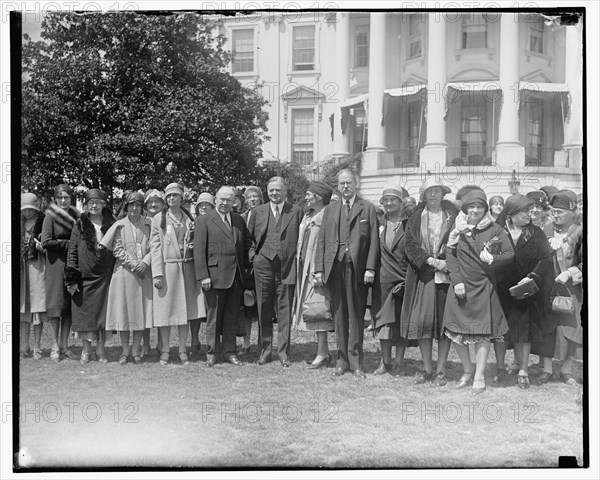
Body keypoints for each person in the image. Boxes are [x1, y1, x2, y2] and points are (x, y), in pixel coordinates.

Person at [443, 190, 514, 394]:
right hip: (460, 287)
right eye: (471, 207)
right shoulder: (458, 228)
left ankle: (480, 376)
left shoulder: (495, 229)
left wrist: (493, 259)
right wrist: (456, 281)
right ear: (465, 209)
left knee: (482, 333)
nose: (475, 210)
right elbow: (450, 254)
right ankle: (467, 370)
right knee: (456, 331)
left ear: (485, 209)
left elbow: (510, 253)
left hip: (483, 286)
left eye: (479, 207)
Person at [314, 169, 379, 378]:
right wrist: (319, 270)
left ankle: (356, 362)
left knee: (357, 317)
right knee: (339, 316)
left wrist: (370, 267)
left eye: (349, 183)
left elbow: (374, 243)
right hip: (335, 268)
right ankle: (341, 361)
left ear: (356, 183)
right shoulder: (331, 210)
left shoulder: (367, 208)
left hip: (358, 269)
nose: (345, 187)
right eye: (342, 184)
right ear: (338, 186)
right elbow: (321, 241)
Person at [401, 177, 458, 386]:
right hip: (424, 274)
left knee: (444, 323)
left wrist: (447, 263)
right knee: (424, 323)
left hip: (447, 275)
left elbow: (460, 242)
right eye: (429, 191)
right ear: (423, 195)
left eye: (437, 190)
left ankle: (441, 369)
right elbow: (410, 245)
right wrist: (431, 261)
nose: (433, 194)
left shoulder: (453, 215)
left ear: (443, 194)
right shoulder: (416, 217)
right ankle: (426, 367)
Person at [494, 194, 553, 388]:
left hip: (525, 290)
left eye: (531, 210)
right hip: (501, 289)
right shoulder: (497, 231)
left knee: (524, 331)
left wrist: (533, 277)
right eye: (525, 211)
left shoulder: (536, 233)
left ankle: (523, 370)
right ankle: (500, 367)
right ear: (511, 215)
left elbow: (545, 259)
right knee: (500, 331)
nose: (530, 214)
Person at [248, 177, 302, 367]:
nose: (274, 193)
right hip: (263, 264)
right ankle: (265, 351)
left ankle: (283, 352)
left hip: (286, 266)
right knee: (263, 308)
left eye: (277, 190)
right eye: (271, 190)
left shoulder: (295, 211)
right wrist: (254, 257)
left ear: (285, 191)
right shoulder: (258, 211)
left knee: (284, 309)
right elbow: (250, 238)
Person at [150, 182, 205, 365]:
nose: (172, 198)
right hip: (167, 269)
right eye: (169, 196)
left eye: (175, 195)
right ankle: (165, 350)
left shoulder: (189, 218)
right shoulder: (159, 219)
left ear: (181, 198)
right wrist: (157, 273)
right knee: (165, 312)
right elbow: (155, 248)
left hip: (187, 269)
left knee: (185, 312)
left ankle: (182, 349)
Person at [194, 186, 250, 367]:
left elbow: (244, 246)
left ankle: (230, 352)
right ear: (216, 199)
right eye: (222, 199)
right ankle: (212, 352)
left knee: (231, 317)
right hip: (214, 277)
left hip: (236, 277)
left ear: (234, 201)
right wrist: (204, 276)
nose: (225, 203)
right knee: (213, 317)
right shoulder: (204, 220)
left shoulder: (239, 220)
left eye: (229, 200)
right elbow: (199, 250)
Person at [65, 189, 116, 364]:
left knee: (103, 315)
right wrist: (71, 279)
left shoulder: (112, 223)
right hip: (84, 278)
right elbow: (72, 251)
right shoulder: (79, 224)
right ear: (86, 205)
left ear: (104, 204)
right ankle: (86, 351)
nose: (94, 205)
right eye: (90, 202)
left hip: (104, 277)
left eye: (98, 202)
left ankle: (101, 350)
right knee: (84, 316)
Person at [103, 192, 153, 365]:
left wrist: (145, 263)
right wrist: (134, 264)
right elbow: (116, 249)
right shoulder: (119, 226)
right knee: (124, 313)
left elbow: (155, 246)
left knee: (139, 313)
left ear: (142, 207)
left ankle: (135, 349)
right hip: (124, 273)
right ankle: (125, 350)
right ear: (126, 207)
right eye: (131, 205)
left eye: (138, 205)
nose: (134, 208)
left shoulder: (149, 224)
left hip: (142, 275)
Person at [292, 181, 334, 369]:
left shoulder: (328, 215)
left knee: (319, 310)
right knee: (314, 309)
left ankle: (322, 353)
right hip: (304, 268)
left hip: (317, 271)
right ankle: (323, 351)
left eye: (309, 194)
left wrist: (320, 271)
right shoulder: (308, 215)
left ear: (319, 196)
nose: (306, 197)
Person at [545, 190, 583, 385]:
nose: (556, 215)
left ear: (571, 212)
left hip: (571, 288)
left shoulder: (580, 232)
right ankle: (547, 369)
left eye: (560, 212)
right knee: (548, 327)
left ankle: (566, 370)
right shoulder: (545, 229)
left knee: (569, 328)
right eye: (553, 211)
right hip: (548, 288)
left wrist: (570, 272)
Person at [372, 185, 410, 376]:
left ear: (401, 203)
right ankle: (384, 362)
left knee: (401, 322)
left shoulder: (409, 224)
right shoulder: (378, 224)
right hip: (382, 282)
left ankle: (400, 362)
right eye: (385, 200)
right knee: (383, 322)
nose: (388, 203)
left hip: (403, 280)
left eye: (392, 199)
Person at [41, 184, 80, 360]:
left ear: (71, 198)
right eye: (60, 197)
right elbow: (46, 242)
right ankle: (55, 345)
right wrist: (69, 243)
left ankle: (64, 344)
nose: (63, 201)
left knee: (68, 306)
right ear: (55, 199)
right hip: (55, 264)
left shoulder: (76, 216)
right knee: (56, 305)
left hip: (72, 263)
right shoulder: (50, 216)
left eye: (66, 197)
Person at [20, 193, 46, 360]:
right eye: (25, 210)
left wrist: (41, 246)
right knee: (23, 308)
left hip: (38, 266)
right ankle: (24, 345)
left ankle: (37, 346)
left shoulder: (43, 222)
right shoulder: (18, 223)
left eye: (31, 209)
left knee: (37, 307)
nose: (28, 213)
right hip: (22, 269)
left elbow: (49, 243)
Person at [239, 185, 263, 355]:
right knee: (246, 306)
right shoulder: (241, 218)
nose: (253, 199)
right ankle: (245, 342)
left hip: (262, 265)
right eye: (250, 197)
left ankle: (263, 342)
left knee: (263, 307)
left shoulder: (267, 214)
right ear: (245, 201)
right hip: (245, 267)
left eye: (256, 196)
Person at [141, 189, 165, 356]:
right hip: (143, 270)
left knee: (162, 305)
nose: (154, 205)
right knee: (145, 307)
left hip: (161, 267)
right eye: (150, 202)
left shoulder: (166, 220)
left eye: (157, 201)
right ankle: (145, 343)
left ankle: (162, 343)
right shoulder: (141, 221)